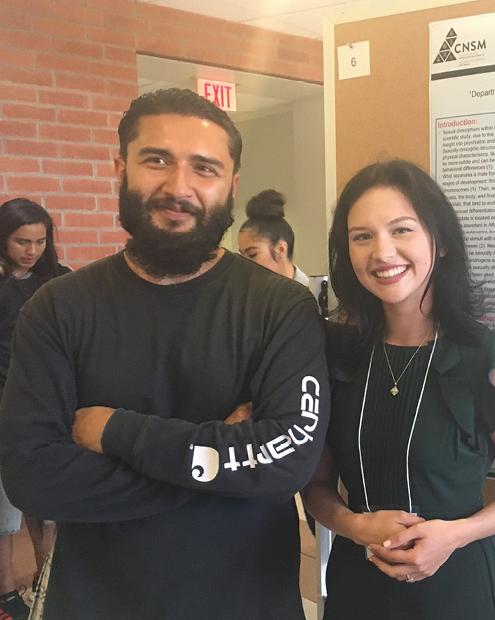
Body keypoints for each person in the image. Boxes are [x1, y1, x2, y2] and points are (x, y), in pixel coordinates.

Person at [0, 88, 329, 619]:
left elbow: (287, 458)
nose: (179, 187)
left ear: (231, 185)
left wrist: (115, 433)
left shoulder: (281, 307)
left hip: (246, 603)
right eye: (157, 160)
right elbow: (33, 478)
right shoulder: (57, 308)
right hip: (99, 605)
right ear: (120, 168)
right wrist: (223, 463)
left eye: (204, 168)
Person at [303, 160, 495, 619]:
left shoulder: (488, 360)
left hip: (457, 586)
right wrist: (354, 525)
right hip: (358, 584)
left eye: (401, 230)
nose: (382, 252)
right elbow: (316, 485)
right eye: (362, 236)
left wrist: (454, 535)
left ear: (440, 243)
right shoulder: (336, 358)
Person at [0, 199, 69, 620]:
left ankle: (51, 581)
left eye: (40, 241)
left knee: (47, 504)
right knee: (6, 505)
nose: (32, 250)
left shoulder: (60, 281)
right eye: (21, 241)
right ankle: (7, 592)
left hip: (48, 403)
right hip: (4, 403)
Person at [237, 189, 311, 287]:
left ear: (281, 249)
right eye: (242, 257)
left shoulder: (310, 297)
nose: (244, 266)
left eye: (252, 255)